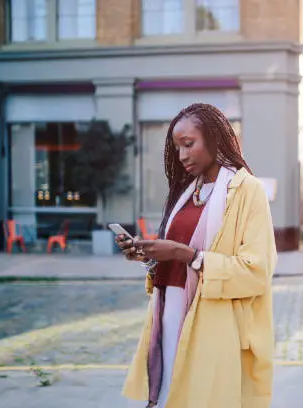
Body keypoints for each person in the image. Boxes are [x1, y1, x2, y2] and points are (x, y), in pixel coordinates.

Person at [116, 103, 277, 408]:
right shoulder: (187, 192)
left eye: (189, 144)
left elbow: (256, 272)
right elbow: (175, 263)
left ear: (215, 139)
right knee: (170, 396)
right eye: (178, 148)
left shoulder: (247, 191)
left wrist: (184, 253)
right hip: (170, 312)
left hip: (214, 323)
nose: (182, 156)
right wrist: (150, 257)